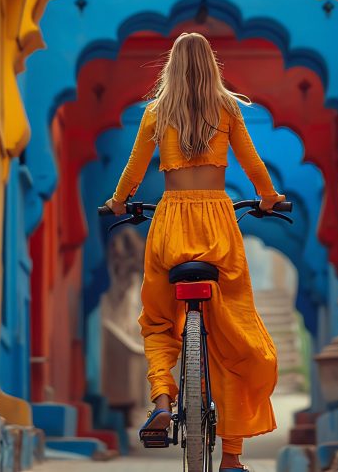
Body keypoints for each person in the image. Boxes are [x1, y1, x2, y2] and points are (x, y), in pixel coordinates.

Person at [104, 32, 284, 471]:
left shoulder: (155, 112)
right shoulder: (227, 109)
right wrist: (269, 197)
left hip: (170, 227)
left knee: (159, 321)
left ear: (171, 67)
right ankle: (232, 458)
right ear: (211, 65)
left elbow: (133, 170)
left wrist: (117, 202)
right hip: (219, 228)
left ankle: (163, 400)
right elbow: (254, 164)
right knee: (232, 335)